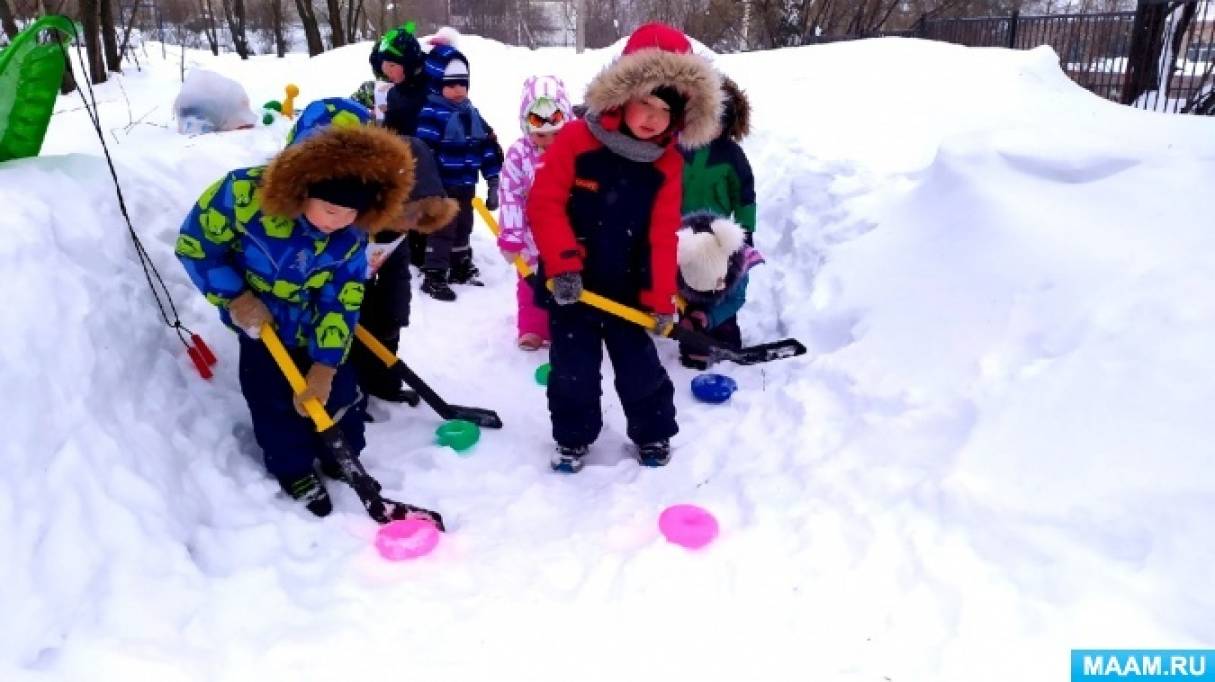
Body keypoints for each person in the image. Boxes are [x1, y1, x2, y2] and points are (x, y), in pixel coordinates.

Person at [175, 120, 416, 516]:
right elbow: (196, 246)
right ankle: (293, 468)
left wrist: (325, 363)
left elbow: (344, 294)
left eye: (349, 213)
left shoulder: (353, 231)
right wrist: (236, 297)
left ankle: (341, 454)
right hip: (261, 320)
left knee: (339, 392)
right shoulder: (241, 196)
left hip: (318, 318)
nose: (336, 221)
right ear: (304, 190)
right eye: (330, 209)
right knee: (273, 399)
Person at [527, 22, 722, 472]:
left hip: (629, 291)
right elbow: (546, 202)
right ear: (623, 92)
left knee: (640, 370)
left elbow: (660, 234)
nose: (653, 118)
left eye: (665, 110)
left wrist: (658, 300)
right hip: (570, 285)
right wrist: (562, 264)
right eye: (645, 103)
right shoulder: (577, 138)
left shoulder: (667, 163)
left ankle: (653, 434)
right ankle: (573, 438)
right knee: (572, 370)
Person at [414, 41, 504, 301]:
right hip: (442, 186)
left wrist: (493, 179)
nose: (458, 90)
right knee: (443, 229)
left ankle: (459, 264)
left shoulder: (471, 112)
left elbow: (486, 146)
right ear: (436, 84)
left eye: (462, 84)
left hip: (466, 183)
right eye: (451, 85)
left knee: (464, 225)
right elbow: (424, 151)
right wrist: (429, 185)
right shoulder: (432, 112)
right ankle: (434, 273)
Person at [496, 75, 574, 350]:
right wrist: (511, 235)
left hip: (568, 238)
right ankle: (532, 327)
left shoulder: (575, 152)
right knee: (530, 284)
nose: (550, 141)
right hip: (531, 237)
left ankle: (567, 329)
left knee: (569, 284)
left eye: (557, 133)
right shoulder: (519, 154)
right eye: (541, 134)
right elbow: (510, 195)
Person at [675, 212, 764, 369]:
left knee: (728, 342)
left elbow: (736, 299)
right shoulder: (675, 256)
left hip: (722, 301)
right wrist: (686, 313)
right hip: (689, 298)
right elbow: (668, 292)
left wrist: (711, 317)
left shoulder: (739, 261)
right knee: (693, 344)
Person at [681, 76, 757, 245]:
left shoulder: (732, 154)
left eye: (718, 122)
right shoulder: (679, 146)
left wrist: (745, 230)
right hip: (677, 226)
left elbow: (743, 194)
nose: (710, 127)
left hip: (715, 229)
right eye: (706, 119)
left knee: (719, 267)